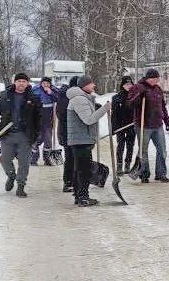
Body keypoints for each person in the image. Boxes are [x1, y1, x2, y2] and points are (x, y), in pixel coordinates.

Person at [0, 73, 43, 198]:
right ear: (14, 82)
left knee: (24, 162)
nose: (21, 83)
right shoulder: (3, 95)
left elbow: (39, 118)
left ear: (27, 83)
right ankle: (11, 175)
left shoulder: (33, 97)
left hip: (25, 135)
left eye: (24, 81)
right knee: (5, 159)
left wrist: (37, 134)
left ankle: (21, 186)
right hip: (7, 134)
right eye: (19, 81)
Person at [66, 76, 111, 207]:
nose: (94, 86)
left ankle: (79, 196)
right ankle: (83, 197)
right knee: (83, 170)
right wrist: (104, 109)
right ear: (84, 85)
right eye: (91, 84)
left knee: (80, 169)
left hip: (82, 139)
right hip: (81, 140)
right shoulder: (79, 99)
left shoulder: (82, 98)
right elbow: (89, 119)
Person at [127, 68, 169, 184]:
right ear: (148, 78)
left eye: (157, 79)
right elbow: (130, 104)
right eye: (154, 79)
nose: (156, 81)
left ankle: (161, 174)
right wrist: (138, 94)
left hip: (157, 125)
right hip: (143, 125)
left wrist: (167, 121)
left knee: (162, 150)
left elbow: (163, 107)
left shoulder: (158, 89)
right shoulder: (138, 87)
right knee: (144, 151)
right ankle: (144, 174)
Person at [55, 76, 79, 192]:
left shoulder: (80, 96)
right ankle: (68, 182)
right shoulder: (64, 96)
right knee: (70, 157)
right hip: (67, 132)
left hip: (78, 133)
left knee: (77, 157)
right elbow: (62, 115)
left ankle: (76, 181)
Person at [29, 77, 59, 165]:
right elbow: (29, 98)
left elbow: (58, 99)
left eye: (47, 83)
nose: (46, 85)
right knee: (35, 138)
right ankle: (33, 158)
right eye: (44, 83)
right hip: (37, 115)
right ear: (41, 83)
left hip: (48, 116)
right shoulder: (35, 89)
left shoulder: (53, 90)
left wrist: (51, 93)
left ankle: (47, 158)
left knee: (48, 138)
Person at [111, 76, 137, 173]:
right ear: (122, 85)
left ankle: (127, 164)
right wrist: (113, 127)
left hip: (132, 125)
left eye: (130, 84)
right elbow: (113, 115)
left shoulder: (135, 96)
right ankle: (119, 165)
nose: (129, 86)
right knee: (120, 145)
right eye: (126, 84)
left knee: (130, 145)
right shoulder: (116, 98)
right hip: (120, 126)